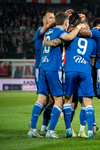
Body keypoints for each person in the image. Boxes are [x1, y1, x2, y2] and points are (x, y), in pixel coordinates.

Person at [40, 12, 86, 139]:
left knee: (65, 100)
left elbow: (55, 41)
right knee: (62, 100)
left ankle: (63, 129)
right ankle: (51, 130)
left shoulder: (51, 32)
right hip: (62, 69)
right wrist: (79, 26)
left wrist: (47, 43)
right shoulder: (66, 32)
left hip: (58, 68)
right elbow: (68, 37)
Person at [28, 10, 56, 138]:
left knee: (51, 100)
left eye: (54, 17)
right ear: (44, 21)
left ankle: (43, 128)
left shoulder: (52, 33)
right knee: (43, 98)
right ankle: (32, 127)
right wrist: (60, 19)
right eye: (51, 18)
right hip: (41, 68)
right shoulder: (40, 31)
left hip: (49, 68)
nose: (53, 19)